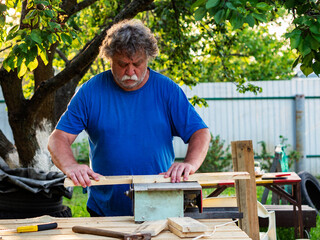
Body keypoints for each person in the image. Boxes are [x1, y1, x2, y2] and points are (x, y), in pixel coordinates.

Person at [48, 19, 211, 217]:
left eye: (137, 64)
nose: (130, 71)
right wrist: (71, 166)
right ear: (110, 59)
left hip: (160, 205)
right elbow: (58, 138)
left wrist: (189, 164)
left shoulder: (167, 91)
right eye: (123, 64)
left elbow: (200, 132)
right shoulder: (90, 92)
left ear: (148, 58)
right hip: (105, 209)